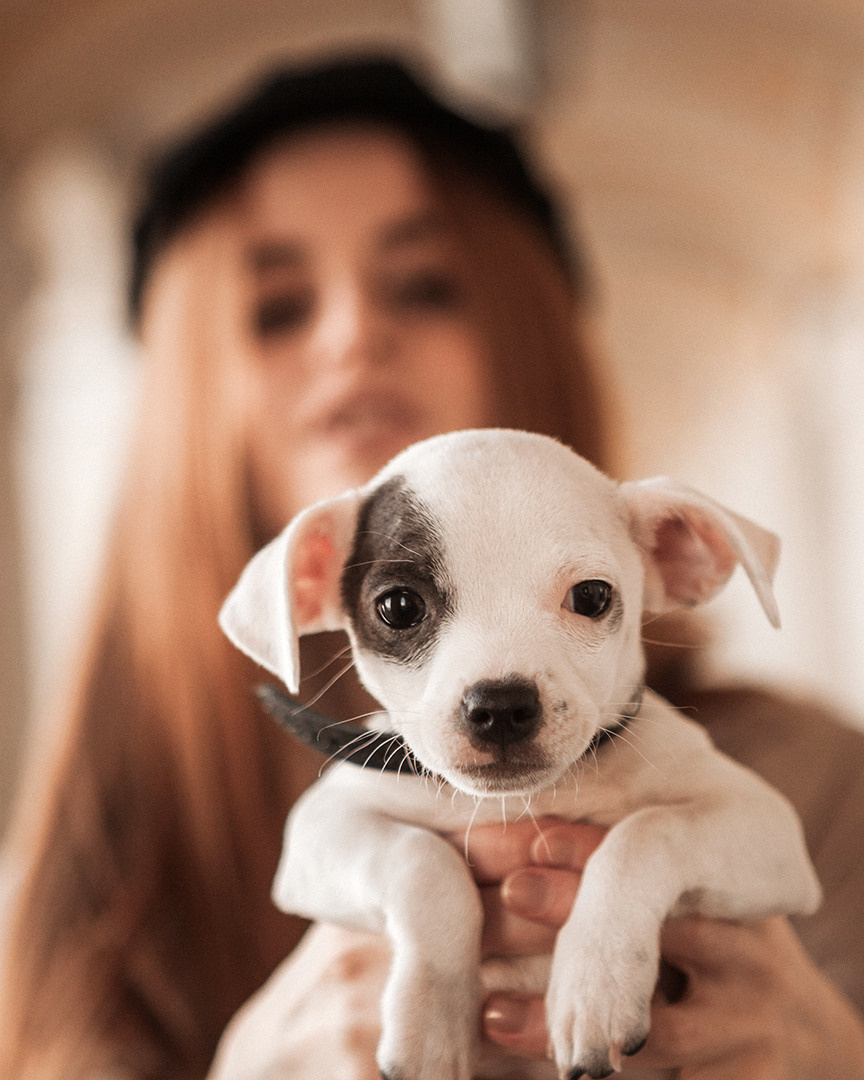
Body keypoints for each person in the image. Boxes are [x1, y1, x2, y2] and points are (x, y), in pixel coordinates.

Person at [1, 54, 863, 1080]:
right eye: (276, 306)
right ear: (313, 582)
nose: (354, 337)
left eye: (425, 286)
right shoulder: (93, 866)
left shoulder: (810, 776)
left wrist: (837, 1054)